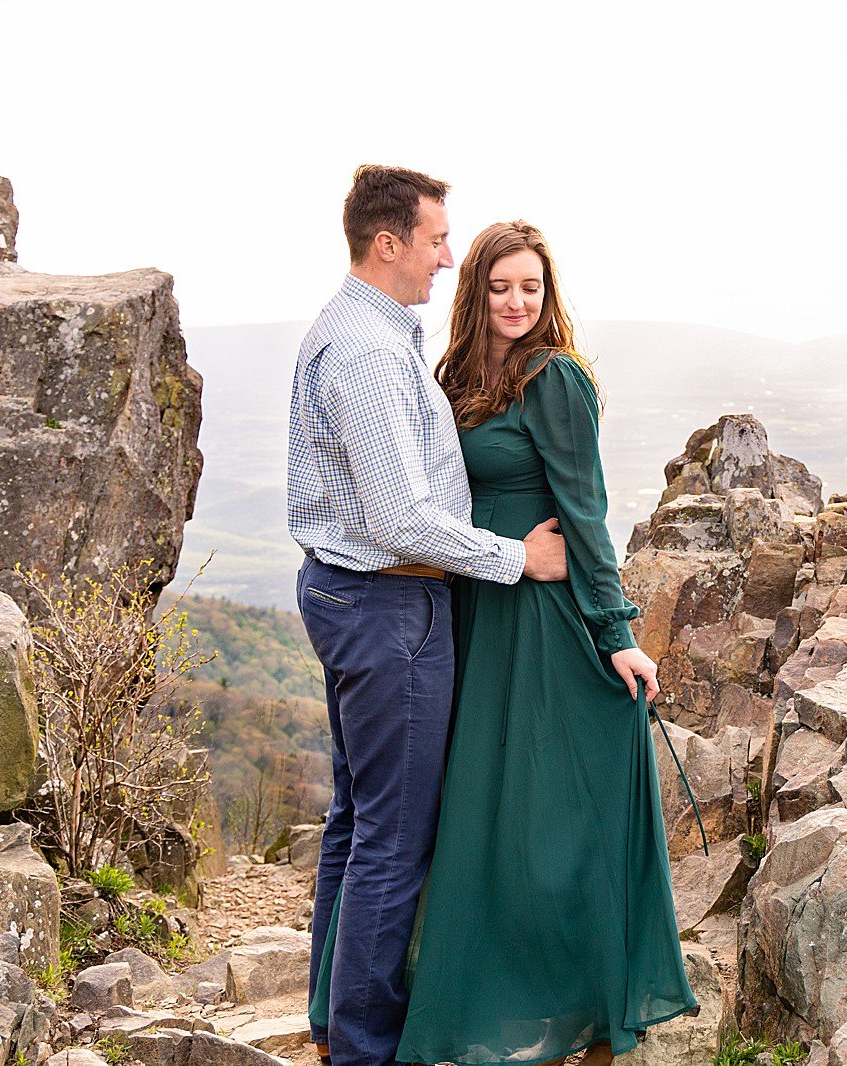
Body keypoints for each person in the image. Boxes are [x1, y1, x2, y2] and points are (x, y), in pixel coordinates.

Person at [310, 221, 697, 1065]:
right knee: (457, 816)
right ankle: (406, 1006)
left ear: (547, 293)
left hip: (540, 618)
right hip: (469, 606)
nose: (518, 302)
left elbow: (585, 513)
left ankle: (573, 1005)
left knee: (540, 817)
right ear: (475, 292)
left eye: (532, 286)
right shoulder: (450, 375)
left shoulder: (556, 380)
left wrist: (616, 632)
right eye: (500, 286)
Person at [288, 167, 570, 1066]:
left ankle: (334, 1023)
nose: (448, 256)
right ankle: (366, 1049)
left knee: (356, 820)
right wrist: (518, 559)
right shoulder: (368, 352)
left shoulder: (364, 330)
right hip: (386, 605)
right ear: (389, 244)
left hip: (355, 599)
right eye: (437, 239)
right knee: (392, 838)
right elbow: (399, 518)